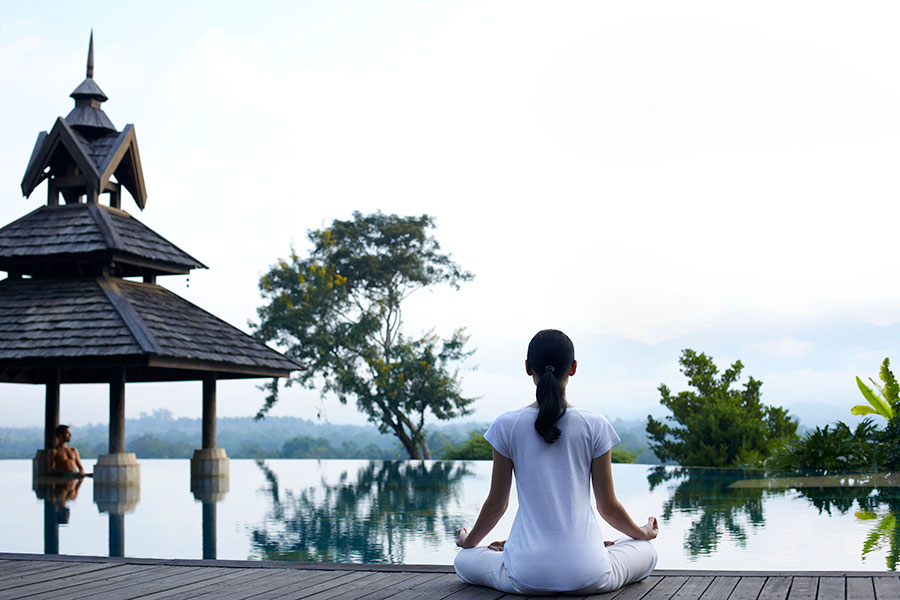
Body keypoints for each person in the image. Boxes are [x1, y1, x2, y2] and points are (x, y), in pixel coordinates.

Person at [454, 329, 659, 595]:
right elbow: (607, 507)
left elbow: (497, 505)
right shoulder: (594, 425)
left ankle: (514, 546)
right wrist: (642, 533)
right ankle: (596, 547)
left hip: (526, 576)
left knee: (462, 561)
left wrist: (469, 540)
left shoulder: (507, 425)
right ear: (573, 368)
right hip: (591, 574)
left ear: (528, 368)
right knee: (647, 551)